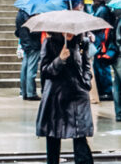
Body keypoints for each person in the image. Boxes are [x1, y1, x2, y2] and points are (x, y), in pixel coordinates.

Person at [36, 32, 95, 164]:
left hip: (78, 95)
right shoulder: (49, 43)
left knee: (80, 138)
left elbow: (86, 65)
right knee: (53, 137)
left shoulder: (82, 42)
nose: (70, 33)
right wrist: (60, 59)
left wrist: (86, 82)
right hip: (56, 97)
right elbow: (45, 71)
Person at [16, 7, 40, 101]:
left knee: (25, 67)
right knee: (31, 69)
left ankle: (24, 92)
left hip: (25, 43)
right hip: (33, 44)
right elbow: (33, 32)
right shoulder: (29, 16)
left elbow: (18, 31)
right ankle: (31, 93)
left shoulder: (19, 14)